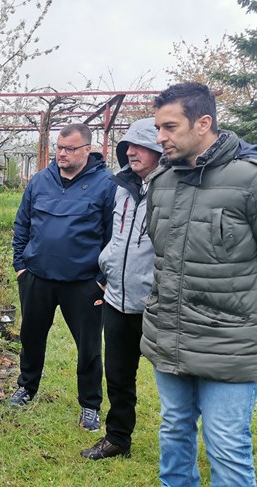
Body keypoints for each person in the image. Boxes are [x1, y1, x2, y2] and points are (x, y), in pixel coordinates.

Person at [141, 82, 257, 487]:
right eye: (158, 128)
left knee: (227, 445)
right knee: (173, 430)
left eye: (169, 127)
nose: (160, 138)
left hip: (230, 344)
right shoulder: (161, 182)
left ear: (203, 122)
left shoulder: (248, 180)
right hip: (169, 335)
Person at [11, 123, 116, 432]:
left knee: (89, 347)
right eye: (59, 147)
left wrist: (101, 279)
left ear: (87, 150)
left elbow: (113, 237)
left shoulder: (106, 185)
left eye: (70, 149)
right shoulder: (41, 181)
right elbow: (22, 224)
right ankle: (27, 388)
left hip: (83, 283)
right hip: (37, 279)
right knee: (31, 338)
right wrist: (21, 267)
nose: (62, 154)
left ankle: (90, 405)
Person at [81, 118, 161, 460]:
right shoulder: (122, 191)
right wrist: (106, 268)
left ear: (160, 150)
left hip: (157, 305)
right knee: (117, 375)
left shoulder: (175, 190)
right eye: (128, 146)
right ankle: (117, 438)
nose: (131, 151)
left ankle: (179, 449)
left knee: (174, 384)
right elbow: (113, 237)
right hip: (116, 300)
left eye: (141, 145)